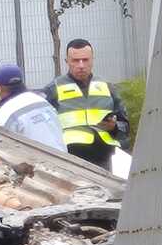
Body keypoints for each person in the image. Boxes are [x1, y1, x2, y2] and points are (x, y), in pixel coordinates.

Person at [42, 38, 129, 169]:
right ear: (67, 62)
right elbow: (43, 128)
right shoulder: (53, 90)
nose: (81, 65)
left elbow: (125, 126)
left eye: (85, 60)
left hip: (105, 159)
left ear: (92, 60)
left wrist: (114, 127)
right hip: (71, 159)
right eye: (75, 61)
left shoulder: (107, 88)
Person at [0, 63, 66, 151]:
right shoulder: (42, 102)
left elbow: (2, 149)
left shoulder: (4, 113)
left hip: (39, 163)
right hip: (64, 159)